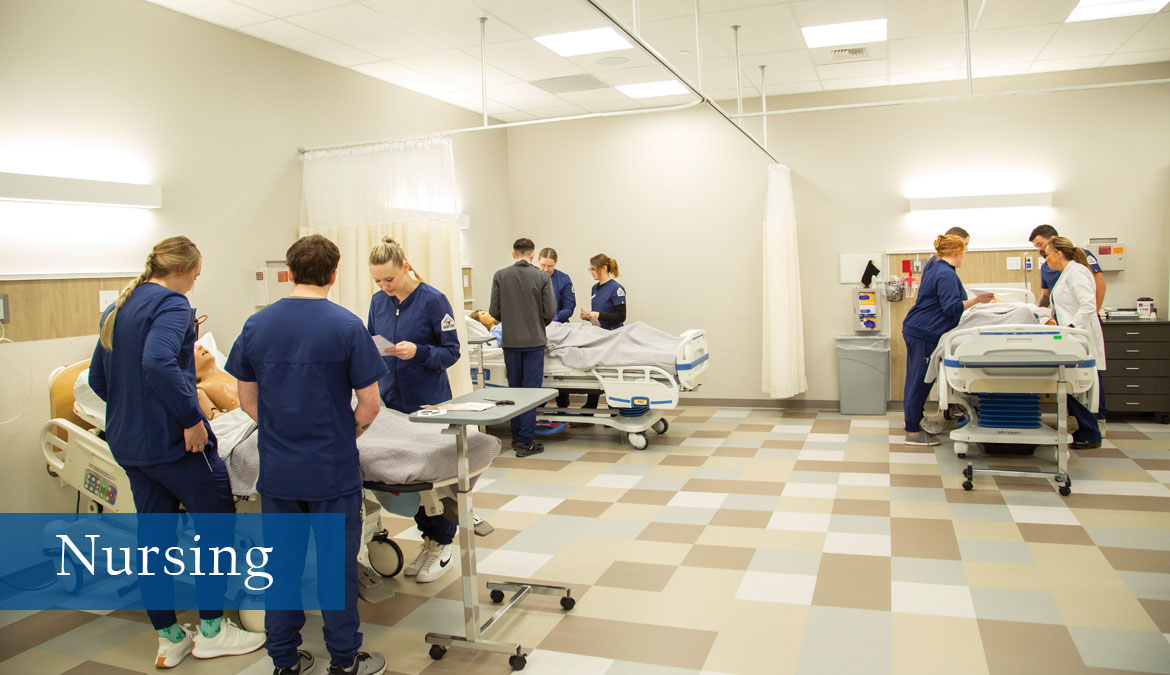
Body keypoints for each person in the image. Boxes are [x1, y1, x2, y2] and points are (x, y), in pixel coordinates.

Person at [88, 236, 265, 670]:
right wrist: (188, 419)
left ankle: (169, 637)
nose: (193, 285)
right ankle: (210, 630)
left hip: (130, 446)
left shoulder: (118, 308)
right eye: (195, 276)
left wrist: (134, 412)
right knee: (216, 528)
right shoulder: (172, 305)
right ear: (183, 271)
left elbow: (97, 379)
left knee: (154, 538)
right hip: (174, 445)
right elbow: (159, 362)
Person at [226, 235, 388, 675]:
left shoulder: (256, 325)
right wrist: (344, 430)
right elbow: (370, 405)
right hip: (331, 469)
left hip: (279, 470)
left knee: (282, 568)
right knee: (336, 571)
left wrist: (282, 427)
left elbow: (245, 399)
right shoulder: (346, 325)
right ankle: (342, 661)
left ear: (289, 273)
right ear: (334, 275)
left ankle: (283, 660)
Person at [366, 237, 460, 583]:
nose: (384, 287)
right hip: (391, 406)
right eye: (377, 281)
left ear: (405, 266)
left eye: (389, 280)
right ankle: (429, 540)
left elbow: (451, 352)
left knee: (432, 481)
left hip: (429, 404)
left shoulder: (433, 301)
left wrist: (419, 352)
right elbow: (368, 340)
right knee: (408, 482)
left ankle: (443, 544)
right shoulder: (378, 302)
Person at [901, 234, 994, 446]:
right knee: (920, 381)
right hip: (925, 331)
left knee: (916, 379)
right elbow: (951, 308)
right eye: (965, 251)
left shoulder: (936, 265)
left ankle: (913, 422)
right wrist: (978, 300)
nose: (964, 256)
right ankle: (913, 432)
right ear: (957, 253)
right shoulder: (946, 274)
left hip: (918, 328)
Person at [489, 238, 556, 457]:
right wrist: (536, 324)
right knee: (530, 392)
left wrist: (512, 322)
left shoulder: (500, 275)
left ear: (513, 254)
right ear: (533, 254)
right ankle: (525, 442)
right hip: (534, 341)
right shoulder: (541, 276)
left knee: (515, 390)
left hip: (511, 342)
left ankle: (516, 435)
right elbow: (550, 312)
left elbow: (494, 312)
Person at [1044, 237, 1107, 449]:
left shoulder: (1077, 272)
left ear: (1059, 254)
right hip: (1072, 336)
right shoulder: (1067, 274)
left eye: (1048, 253)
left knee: (1077, 385)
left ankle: (1091, 433)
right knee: (1073, 386)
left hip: (1079, 336)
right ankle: (1087, 430)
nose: (1047, 258)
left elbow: (1088, 305)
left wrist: (1070, 328)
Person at [579, 254, 626, 410]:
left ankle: (614, 408)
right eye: (590, 269)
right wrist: (588, 317)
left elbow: (621, 316)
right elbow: (600, 313)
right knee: (595, 373)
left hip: (613, 336)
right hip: (598, 335)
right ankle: (589, 409)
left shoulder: (616, 289)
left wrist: (598, 314)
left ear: (604, 268)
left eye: (593, 269)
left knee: (611, 375)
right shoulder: (595, 288)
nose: (591, 272)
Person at [1028, 224, 1105, 310]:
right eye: (1036, 247)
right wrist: (1037, 312)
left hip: (1083, 317)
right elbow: (1046, 296)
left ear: (1053, 239)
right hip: (1063, 318)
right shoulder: (1046, 267)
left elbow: (1099, 286)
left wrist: (1096, 312)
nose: (1039, 249)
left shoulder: (1080, 260)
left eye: (1040, 244)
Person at [538, 247, 575, 408]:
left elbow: (569, 306)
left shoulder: (563, 280)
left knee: (561, 372)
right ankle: (538, 407)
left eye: (550, 266)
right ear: (537, 261)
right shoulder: (532, 277)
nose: (546, 269)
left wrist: (555, 318)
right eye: (543, 265)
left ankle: (563, 407)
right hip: (537, 327)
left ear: (556, 264)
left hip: (558, 327)